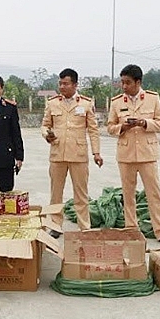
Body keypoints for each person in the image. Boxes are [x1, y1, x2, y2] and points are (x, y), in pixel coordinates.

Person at [108, 64, 160, 246]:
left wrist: (145, 123)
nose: (124, 86)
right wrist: (122, 127)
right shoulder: (117, 102)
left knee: (154, 194)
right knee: (128, 194)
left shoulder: (152, 99)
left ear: (138, 82)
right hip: (126, 154)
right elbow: (110, 127)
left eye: (128, 82)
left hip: (147, 154)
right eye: (122, 82)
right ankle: (131, 229)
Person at [41, 68, 103, 235]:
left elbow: (93, 130)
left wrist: (96, 152)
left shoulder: (85, 104)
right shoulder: (52, 103)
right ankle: (55, 225)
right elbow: (45, 124)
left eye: (66, 84)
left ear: (75, 85)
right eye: (60, 83)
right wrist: (47, 134)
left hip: (78, 155)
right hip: (57, 154)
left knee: (81, 194)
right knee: (55, 193)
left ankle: (84, 226)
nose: (62, 87)